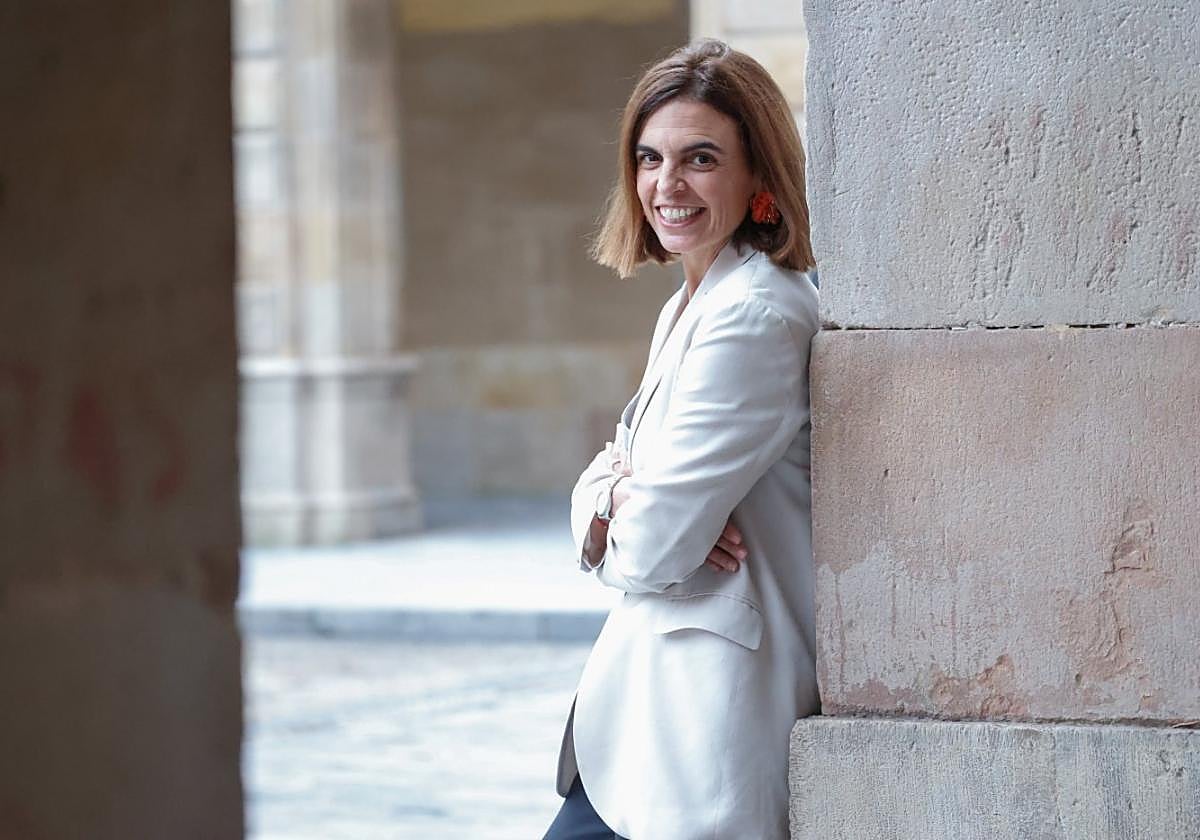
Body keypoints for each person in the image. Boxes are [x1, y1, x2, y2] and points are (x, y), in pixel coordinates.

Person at [543, 39, 820, 840]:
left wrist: (622, 503)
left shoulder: (754, 315)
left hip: (702, 721)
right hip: (644, 718)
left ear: (759, 176)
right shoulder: (694, 303)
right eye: (649, 158)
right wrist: (615, 493)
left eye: (701, 158)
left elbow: (651, 551)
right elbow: (622, 488)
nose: (667, 185)